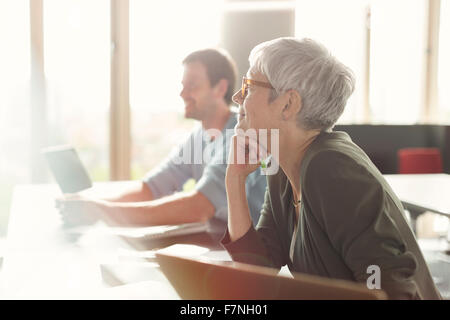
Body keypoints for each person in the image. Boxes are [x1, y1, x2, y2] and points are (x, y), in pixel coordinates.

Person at [222, 37, 442, 299]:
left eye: (248, 86)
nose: (237, 97)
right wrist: (235, 179)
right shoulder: (282, 170)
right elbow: (256, 270)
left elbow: (389, 288)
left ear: (288, 104)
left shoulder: (330, 167)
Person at [58, 48, 266, 230]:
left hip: (255, 260)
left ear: (220, 88)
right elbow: (151, 188)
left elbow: (200, 207)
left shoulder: (241, 136)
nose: (182, 93)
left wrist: (101, 212)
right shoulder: (198, 137)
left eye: (192, 85)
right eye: (182, 85)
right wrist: (90, 202)